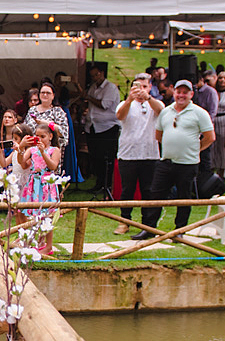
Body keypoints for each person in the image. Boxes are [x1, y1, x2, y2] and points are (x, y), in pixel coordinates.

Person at [135, 80, 214, 239]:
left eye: (185, 92)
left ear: (191, 94)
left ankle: (179, 230)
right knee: (155, 195)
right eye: (179, 92)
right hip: (166, 161)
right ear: (174, 92)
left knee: (184, 197)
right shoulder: (166, 111)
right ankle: (149, 228)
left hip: (188, 163)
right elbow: (159, 134)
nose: (181, 95)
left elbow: (210, 137)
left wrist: (195, 149)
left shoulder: (200, 113)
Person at [114, 74, 163, 234]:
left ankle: (146, 223)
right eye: (137, 86)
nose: (140, 90)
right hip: (128, 154)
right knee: (127, 190)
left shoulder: (155, 103)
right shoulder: (125, 104)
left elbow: (161, 111)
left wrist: (148, 98)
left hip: (150, 154)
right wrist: (130, 99)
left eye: (144, 86)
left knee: (148, 190)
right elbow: (120, 115)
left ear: (150, 87)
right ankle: (124, 221)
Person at [18, 121, 62, 253]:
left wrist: (43, 152)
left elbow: (53, 166)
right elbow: (22, 164)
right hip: (33, 184)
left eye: (43, 136)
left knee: (47, 215)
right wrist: (21, 147)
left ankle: (48, 245)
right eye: (37, 136)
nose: (40, 139)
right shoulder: (32, 150)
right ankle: (39, 241)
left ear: (50, 136)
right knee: (35, 214)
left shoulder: (54, 150)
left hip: (47, 184)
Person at [83, 62, 120, 197]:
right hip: (93, 126)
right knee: (95, 157)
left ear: (102, 73)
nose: (94, 78)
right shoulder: (93, 87)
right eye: (92, 76)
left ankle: (107, 184)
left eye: (96, 75)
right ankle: (99, 183)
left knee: (106, 157)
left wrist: (89, 98)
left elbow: (104, 105)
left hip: (107, 127)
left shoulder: (111, 88)